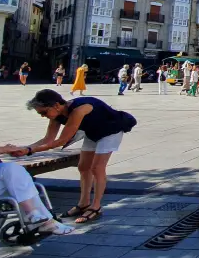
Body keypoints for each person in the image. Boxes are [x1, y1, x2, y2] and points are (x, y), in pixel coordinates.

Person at [19, 89, 136, 224]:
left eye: (44, 112)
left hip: (111, 130)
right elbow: (48, 138)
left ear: (56, 105)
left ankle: (96, 206)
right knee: (83, 167)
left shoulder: (79, 110)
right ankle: (84, 203)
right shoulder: (56, 115)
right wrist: (24, 148)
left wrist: (29, 150)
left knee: (97, 168)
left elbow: (61, 141)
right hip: (93, 132)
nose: (43, 116)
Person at [0, 102, 73, 235]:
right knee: (19, 182)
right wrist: (2, 149)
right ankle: (45, 221)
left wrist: (3, 149)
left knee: (15, 170)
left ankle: (34, 215)